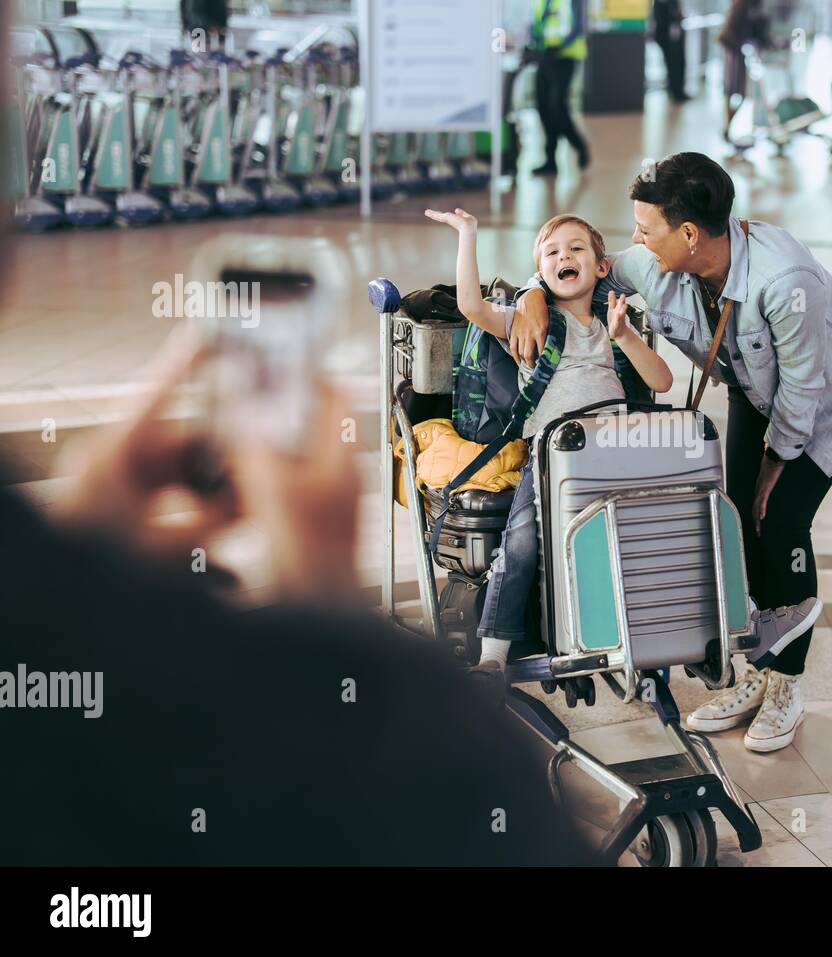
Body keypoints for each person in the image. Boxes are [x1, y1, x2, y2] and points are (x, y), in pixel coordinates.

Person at [0, 12, 598, 864]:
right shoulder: (405, 759)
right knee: (526, 535)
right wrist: (324, 601)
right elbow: (456, 814)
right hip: (540, 462)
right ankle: (496, 642)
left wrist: (71, 569)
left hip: (589, 453)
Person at [509, 153, 832, 754]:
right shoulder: (662, 259)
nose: (637, 238)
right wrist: (532, 294)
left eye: (646, 228)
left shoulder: (787, 283)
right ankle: (754, 669)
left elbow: (804, 391)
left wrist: (777, 462)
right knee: (735, 512)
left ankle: (787, 685)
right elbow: (582, 268)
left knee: (781, 517)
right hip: (754, 378)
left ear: (688, 233)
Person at [425, 209, 673, 672]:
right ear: (540, 272)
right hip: (551, 455)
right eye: (553, 251)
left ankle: (640, 631)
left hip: (616, 450)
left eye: (577, 248)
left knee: (632, 537)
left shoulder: (612, 323)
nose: (566, 255)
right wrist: (468, 236)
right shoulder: (525, 323)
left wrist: (626, 338)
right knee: (520, 545)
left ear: (601, 267)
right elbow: (470, 308)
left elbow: (660, 381)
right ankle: (494, 654)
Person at [528, 0, 591, 175]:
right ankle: (550, 160)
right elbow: (537, 25)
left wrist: (560, 46)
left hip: (565, 57)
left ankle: (579, 145)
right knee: (543, 106)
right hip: (545, 56)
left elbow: (578, 26)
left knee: (557, 106)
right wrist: (535, 40)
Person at [718, 0, 767, 144]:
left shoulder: (752, 5)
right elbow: (732, 30)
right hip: (732, 49)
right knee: (733, 90)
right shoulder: (742, 4)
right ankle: (728, 125)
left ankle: (729, 125)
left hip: (738, 49)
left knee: (741, 92)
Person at [653, 0, 690, 103]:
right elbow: (663, 17)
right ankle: (676, 93)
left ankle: (679, 91)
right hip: (667, 36)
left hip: (674, 35)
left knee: (679, 63)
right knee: (673, 64)